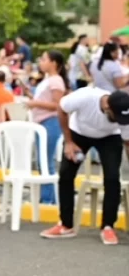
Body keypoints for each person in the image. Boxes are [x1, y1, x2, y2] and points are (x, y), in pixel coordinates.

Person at [40, 88, 129, 245]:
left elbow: (127, 143)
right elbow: (61, 108)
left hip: (109, 138)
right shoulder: (86, 97)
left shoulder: (123, 115)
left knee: (112, 178)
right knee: (66, 174)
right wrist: (68, 142)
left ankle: (108, 226)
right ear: (107, 107)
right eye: (117, 117)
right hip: (79, 133)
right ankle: (66, 225)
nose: (119, 121)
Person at [25, 51, 68, 204]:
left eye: (44, 59)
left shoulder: (56, 81)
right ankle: (47, 197)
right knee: (42, 161)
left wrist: (35, 103)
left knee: (45, 161)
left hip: (50, 122)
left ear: (54, 63)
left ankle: (48, 199)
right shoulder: (47, 80)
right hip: (42, 122)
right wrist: (32, 98)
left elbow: (58, 105)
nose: (41, 62)